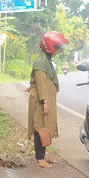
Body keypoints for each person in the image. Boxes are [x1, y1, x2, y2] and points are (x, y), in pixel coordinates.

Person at [27, 31, 69, 168]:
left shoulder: (46, 60)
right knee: (40, 128)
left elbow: (43, 80)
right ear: (50, 47)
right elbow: (40, 83)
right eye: (57, 48)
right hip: (41, 100)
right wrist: (45, 101)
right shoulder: (41, 62)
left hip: (46, 99)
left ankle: (43, 156)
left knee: (47, 126)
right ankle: (39, 159)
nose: (59, 51)